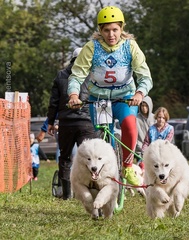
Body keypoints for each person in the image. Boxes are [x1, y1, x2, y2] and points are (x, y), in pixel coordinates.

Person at [67, 6, 153, 186]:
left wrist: (139, 93)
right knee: (101, 136)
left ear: (121, 28)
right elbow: (77, 75)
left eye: (115, 29)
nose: (111, 34)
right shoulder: (91, 48)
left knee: (130, 126)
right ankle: (100, 172)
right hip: (99, 99)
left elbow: (145, 76)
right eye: (106, 30)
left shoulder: (130, 46)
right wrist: (74, 94)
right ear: (100, 30)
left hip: (125, 97)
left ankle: (128, 166)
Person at [47, 47, 96, 200]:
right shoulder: (92, 75)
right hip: (87, 122)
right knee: (90, 157)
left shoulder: (61, 75)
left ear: (72, 58)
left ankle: (67, 194)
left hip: (66, 122)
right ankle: (89, 190)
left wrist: (50, 121)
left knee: (65, 157)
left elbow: (53, 102)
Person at [136, 96, 155, 168]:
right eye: (142, 105)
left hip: (153, 150)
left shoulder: (154, 118)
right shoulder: (136, 118)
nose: (144, 108)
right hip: (139, 151)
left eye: (146, 106)